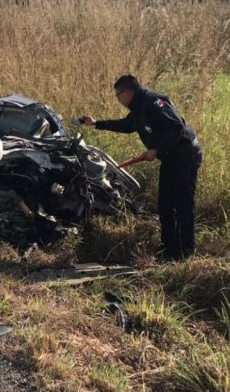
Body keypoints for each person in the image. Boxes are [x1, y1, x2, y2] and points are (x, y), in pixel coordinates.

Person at [80, 74, 202, 262]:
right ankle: (169, 250)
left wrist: (157, 149)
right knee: (165, 204)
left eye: (118, 95)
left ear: (127, 92)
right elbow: (127, 125)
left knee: (183, 204)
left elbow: (176, 126)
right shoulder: (138, 108)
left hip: (185, 155)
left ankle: (185, 253)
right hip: (170, 158)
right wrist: (97, 123)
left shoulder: (153, 102)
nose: (118, 99)